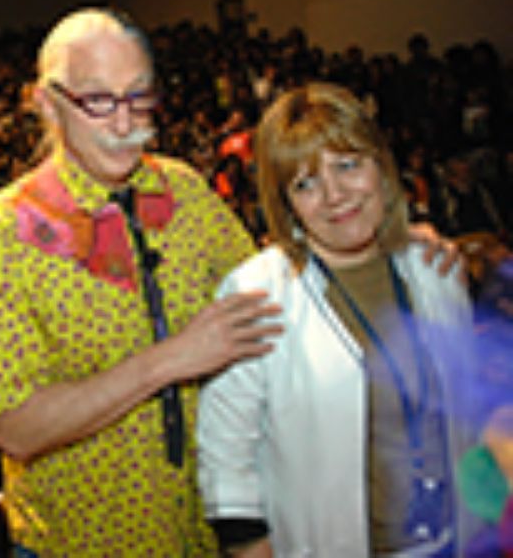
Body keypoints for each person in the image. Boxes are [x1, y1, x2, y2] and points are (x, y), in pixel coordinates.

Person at [0, 8, 284, 556]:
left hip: (208, 533)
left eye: (138, 96)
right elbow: (14, 427)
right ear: (47, 104)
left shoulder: (185, 190)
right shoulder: (0, 235)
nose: (125, 123)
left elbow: (264, 302)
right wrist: (169, 360)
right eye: (98, 101)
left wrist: (386, 248)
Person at [197, 83, 480, 556]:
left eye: (348, 165)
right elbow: (226, 458)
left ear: (382, 169)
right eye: (305, 183)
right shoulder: (256, 293)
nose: (335, 195)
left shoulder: (436, 270)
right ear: (285, 204)